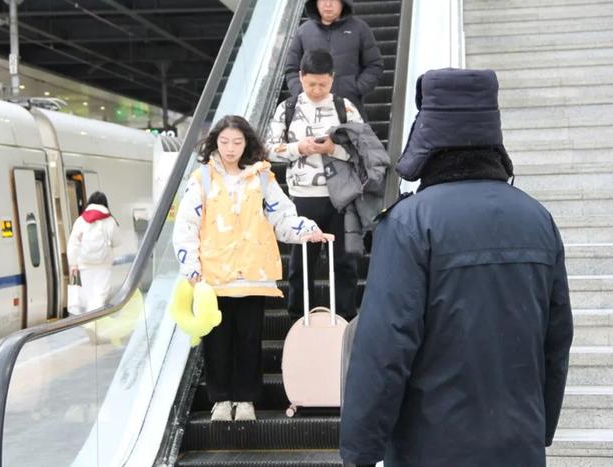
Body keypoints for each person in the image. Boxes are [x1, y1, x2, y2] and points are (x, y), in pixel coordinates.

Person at [340, 68, 573, 467]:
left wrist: (360, 450)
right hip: (518, 444)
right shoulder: (538, 219)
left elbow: (384, 346)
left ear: (427, 134)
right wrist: (540, 425)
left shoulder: (410, 223)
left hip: (430, 446)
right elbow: (556, 338)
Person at [173, 115, 328, 422]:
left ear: (247, 144)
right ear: (215, 142)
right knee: (216, 341)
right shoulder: (202, 178)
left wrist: (306, 230)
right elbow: (186, 224)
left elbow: (281, 214)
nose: (230, 149)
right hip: (214, 276)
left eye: (237, 142)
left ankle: (246, 400)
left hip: (253, 275)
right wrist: (190, 264)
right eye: (225, 142)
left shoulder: (261, 177)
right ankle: (220, 399)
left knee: (248, 339)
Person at [267, 48, 362, 320]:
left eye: (322, 84)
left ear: (332, 79)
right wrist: (300, 148)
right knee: (301, 265)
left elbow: (364, 151)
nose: (317, 90)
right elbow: (268, 150)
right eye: (310, 84)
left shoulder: (345, 108)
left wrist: (332, 149)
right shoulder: (287, 109)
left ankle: (345, 321)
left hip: (341, 197)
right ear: (300, 77)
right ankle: (298, 321)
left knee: (345, 262)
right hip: (302, 196)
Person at [284, 0, 383, 117]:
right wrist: (302, 91)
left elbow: (374, 65)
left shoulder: (359, 29)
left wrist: (356, 88)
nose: (328, 4)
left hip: (349, 109)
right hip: (311, 112)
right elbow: (291, 68)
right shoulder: (303, 31)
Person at [67, 191, 121, 312]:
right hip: (103, 264)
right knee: (100, 295)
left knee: (89, 296)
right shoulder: (110, 220)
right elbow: (117, 241)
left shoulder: (80, 220)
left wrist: (73, 264)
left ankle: (90, 320)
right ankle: (95, 320)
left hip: (85, 264)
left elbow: (73, 244)